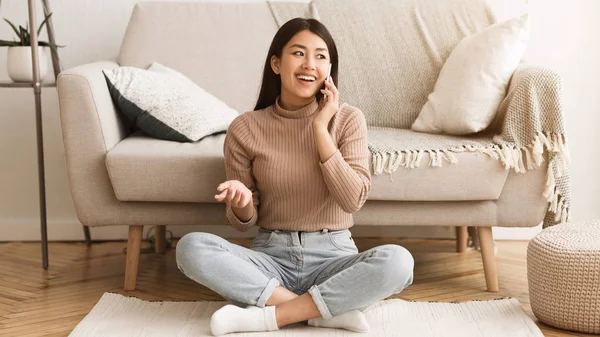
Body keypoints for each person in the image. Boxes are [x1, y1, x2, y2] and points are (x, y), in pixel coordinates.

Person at [176, 17, 414, 336]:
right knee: (191, 248)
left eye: (320, 56)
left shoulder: (347, 120)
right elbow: (241, 221)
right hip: (270, 259)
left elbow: (352, 199)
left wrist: (320, 128)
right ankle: (321, 312)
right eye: (298, 53)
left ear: (330, 69)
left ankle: (270, 316)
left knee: (398, 262)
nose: (309, 64)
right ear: (276, 63)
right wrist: (243, 202)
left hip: (334, 257)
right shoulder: (245, 128)